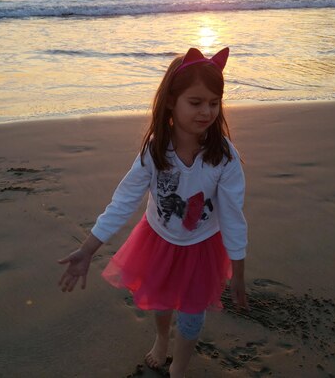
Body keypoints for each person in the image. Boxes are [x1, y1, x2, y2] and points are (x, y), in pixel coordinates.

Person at [58, 47, 249, 377]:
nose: (207, 111)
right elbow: (124, 201)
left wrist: (239, 272)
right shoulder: (156, 150)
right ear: (172, 101)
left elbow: (233, 216)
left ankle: (180, 368)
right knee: (160, 301)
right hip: (158, 240)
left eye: (214, 103)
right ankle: (162, 339)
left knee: (191, 314)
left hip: (201, 247)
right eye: (196, 102)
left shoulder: (224, 157)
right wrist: (88, 249)